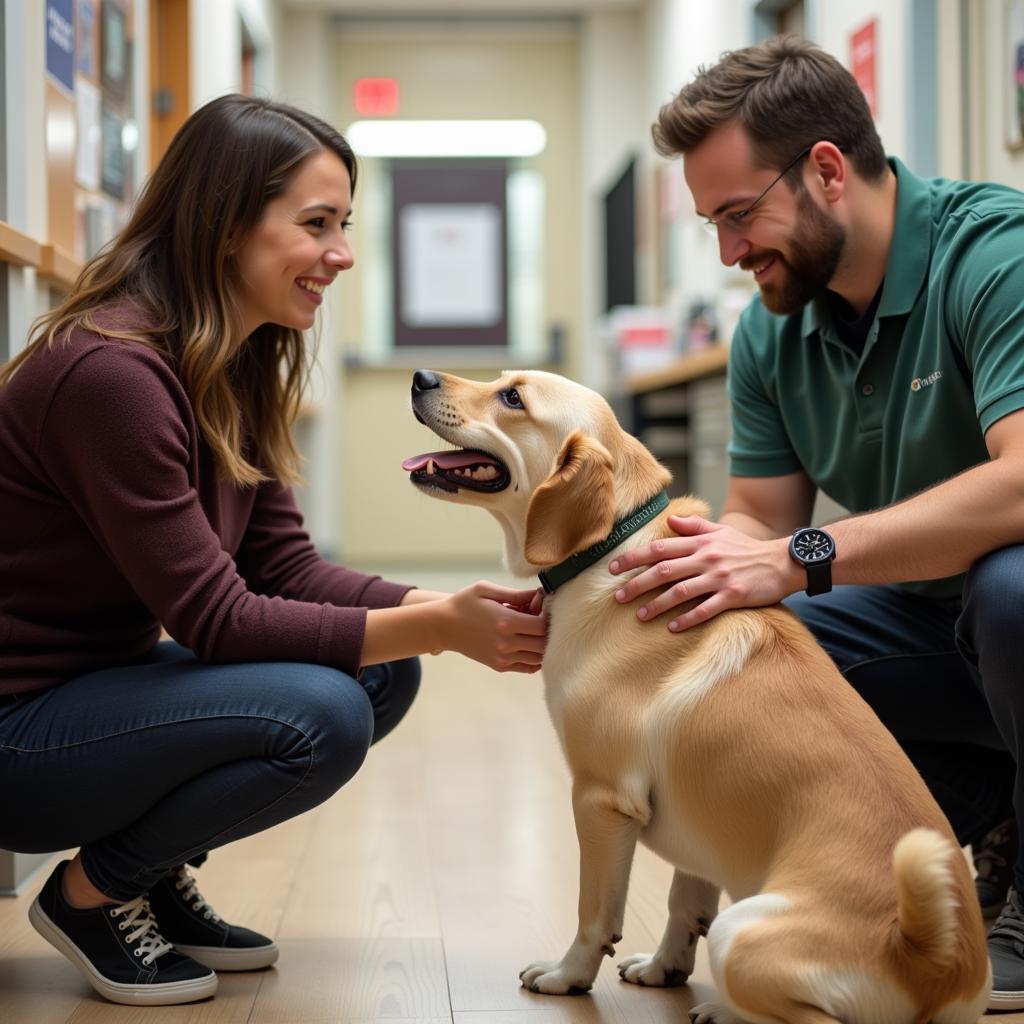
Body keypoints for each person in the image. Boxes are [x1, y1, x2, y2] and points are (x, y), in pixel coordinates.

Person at [0, 94, 546, 1007]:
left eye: (345, 224)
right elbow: (217, 618)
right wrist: (441, 627)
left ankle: (152, 870)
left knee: (386, 668)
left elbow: (284, 569)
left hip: (95, 696)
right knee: (324, 712)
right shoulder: (112, 375)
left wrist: (437, 608)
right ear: (225, 228)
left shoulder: (233, 359)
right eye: (317, 224)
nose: (343, 252)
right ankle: (95, 894)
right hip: (20, 735)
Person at [607, 36, 1024, 1010]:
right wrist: (682, 569)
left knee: (1012, 586)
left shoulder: (993, 254)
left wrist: (804, 556)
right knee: (732, 645)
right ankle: (969, 819)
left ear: (827, 170)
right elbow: (758, 519)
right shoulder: (770, 325)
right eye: (712, 221)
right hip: (929, 634)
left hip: (1005, 615)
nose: (726, 250)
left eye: (739, 214)